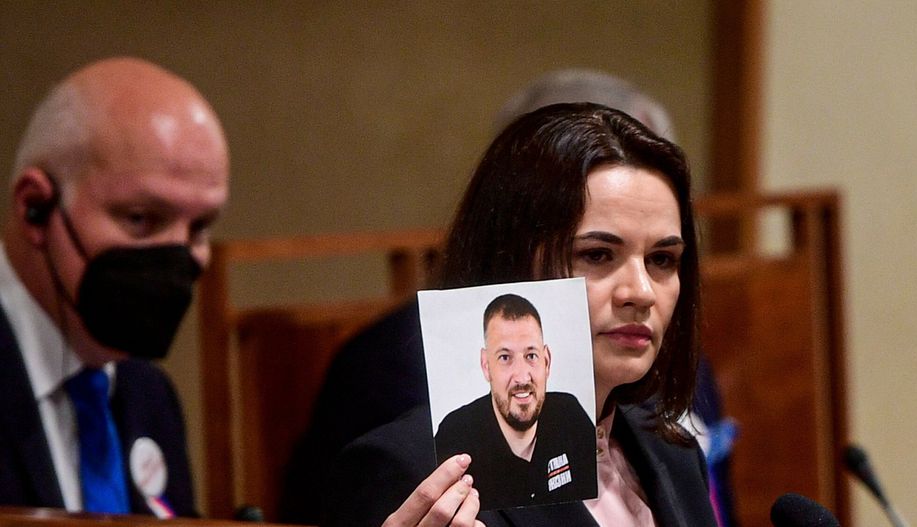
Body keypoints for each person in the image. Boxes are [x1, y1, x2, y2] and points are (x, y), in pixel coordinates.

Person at [279, 69, 691, 525]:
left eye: (662, 260)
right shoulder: (412, 469)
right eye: (597, 255)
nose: (641, 292)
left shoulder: (671, 450)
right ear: (513, 261)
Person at [0, 57, 229, 517]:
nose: (178, 255)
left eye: (200, 226)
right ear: (35, 207)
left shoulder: (148, 394)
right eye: (142, 218)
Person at [433, 293, 596, 510]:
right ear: (485, 366)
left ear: (546, 361)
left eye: (531, 356)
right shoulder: (455, 437)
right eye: (505, 357)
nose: (521, 377)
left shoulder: (571, 416)